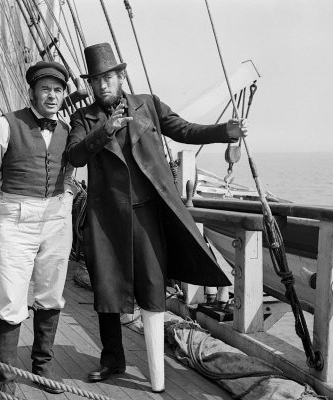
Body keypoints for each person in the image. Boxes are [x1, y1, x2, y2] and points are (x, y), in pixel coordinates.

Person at [66, 43, 248, 393]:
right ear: (90, 84)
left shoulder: (147, 105)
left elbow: (184, 130)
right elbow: (74, 156)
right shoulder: (83, 119)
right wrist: (105, 130)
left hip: (148, 213)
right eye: (96, 80)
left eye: (108, 77)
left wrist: (225, 131)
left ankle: (156, 375)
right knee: (107, 290)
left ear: (121, 77)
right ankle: (112, 360)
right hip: (107, 219)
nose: (103, 85)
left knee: (152, 288)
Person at [0, 61, 75, 396]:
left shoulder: (68, 130)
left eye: (58, 90)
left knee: (51, 294)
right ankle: (5, 381)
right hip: (17, 220)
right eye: (45, 89)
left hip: (57, 220)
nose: (52, 96)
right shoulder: (6, 125)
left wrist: (63, 197)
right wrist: (15, 201)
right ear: (32, 92)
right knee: (11, 299)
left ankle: (42, 368)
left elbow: (70, 172)